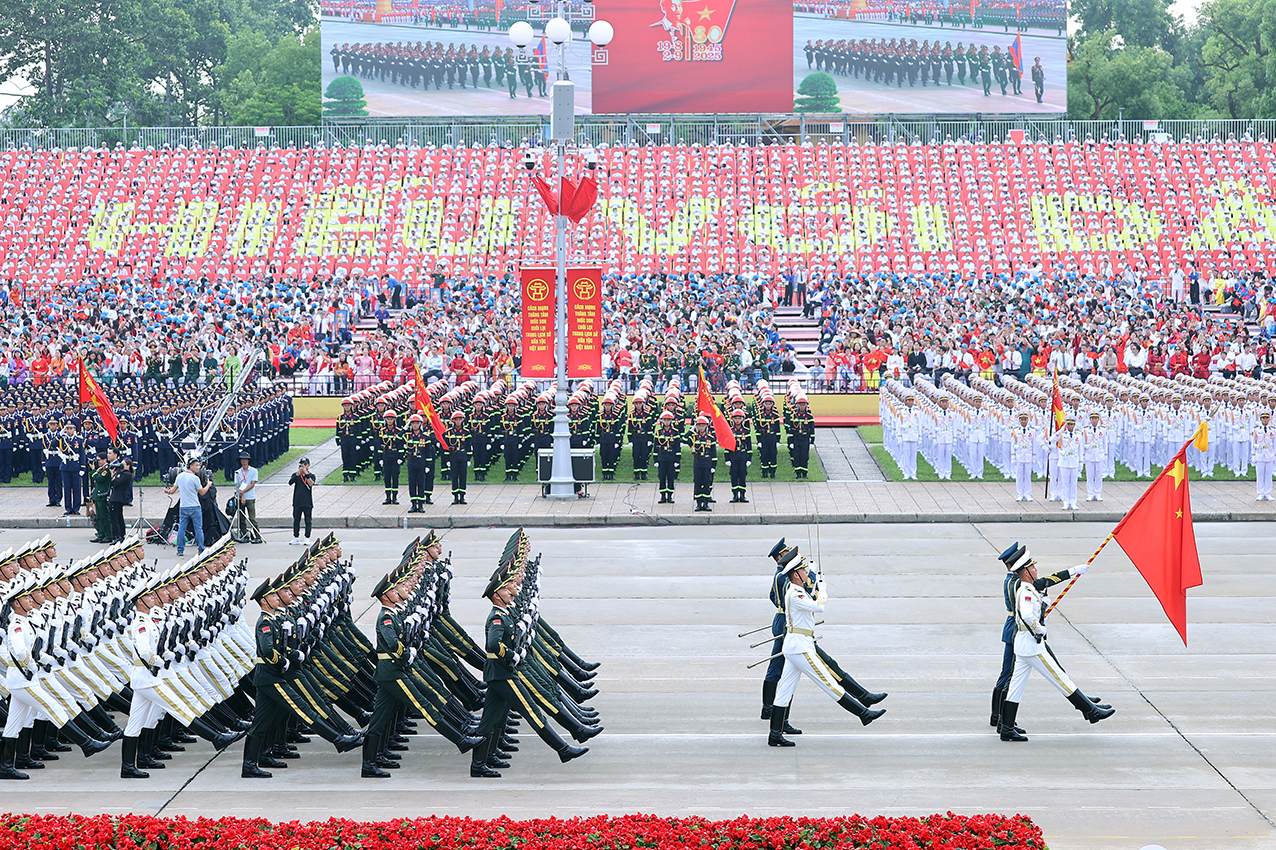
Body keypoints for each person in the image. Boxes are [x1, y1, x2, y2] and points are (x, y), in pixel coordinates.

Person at [999, 544, 1114, 742]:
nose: (1036, 569)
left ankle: (1007, 728)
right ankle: (1090, 711)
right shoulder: (1026, 590)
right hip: (1031, 645)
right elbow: (1027, 615)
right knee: (1060, 677)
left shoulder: (1028, 587)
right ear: (1025, 571)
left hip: (1025, 645)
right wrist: (1039, 628)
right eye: (1032, 567)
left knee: (1016, 686)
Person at [768, 553, 885, 747]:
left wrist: (814, 578)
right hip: (800, 647)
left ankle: (774, 735)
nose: (806, 572)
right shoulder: (796, 594)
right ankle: (863, 714)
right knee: (829, 683)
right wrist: (823, 589)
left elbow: (808, 595)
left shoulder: (795, 588)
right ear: (796, 574)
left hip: (795, 645)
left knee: (785, 691)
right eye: (803, 570)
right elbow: (819, 606)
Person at [989, 542, 1078, 731]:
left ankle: (1078, 696)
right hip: (1018, 630)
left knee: (1014, 673)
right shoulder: (1015, 584)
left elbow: (1042, 582)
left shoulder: (1015, 581)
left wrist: (1072, 572)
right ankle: (998, 718)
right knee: (1009, 675)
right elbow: (1038, 587)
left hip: (1018, 629)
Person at [164, 457, 211, 557]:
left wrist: (167, 491)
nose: (198, 467)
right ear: (191, 466)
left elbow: (172, 491)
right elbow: (202, 492)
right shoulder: (195, 478)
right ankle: (201, 549)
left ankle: (180, 550)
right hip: (195, 506)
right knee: (198, 529)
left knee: (182, 528)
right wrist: (208, 485)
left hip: (183, 507)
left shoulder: (179, 476)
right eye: (196, 465)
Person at [404, 414, 437, 511]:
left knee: (421, 484)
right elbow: (397, 440)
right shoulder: (408, 436)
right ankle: (414, 504)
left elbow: (428, 452)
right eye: (413, 423)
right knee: (412, 484)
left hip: (421, 463)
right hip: (411, 463)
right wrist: (404, 429)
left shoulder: (425, 437)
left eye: (416, 423)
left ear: (420, 424)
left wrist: (428, 465)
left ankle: (421, 505)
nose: (415, 425)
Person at [233, 451, 264, 543]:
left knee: (252, 518)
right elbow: (237, 485)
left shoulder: (254, 471)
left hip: (250, 497)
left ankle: (257, 536)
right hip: (240, 497)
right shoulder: (238, 472)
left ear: (248, 461)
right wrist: (241, 495)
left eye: (245, 459)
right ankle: (244, 535)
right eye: (242, 460)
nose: (244, 461)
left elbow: (252, 484)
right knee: (241, 518)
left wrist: (243, 492)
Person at [690, 414, 716, 512]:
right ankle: (698, 504)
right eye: (699, 425)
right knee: (698, 482)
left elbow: (714, 453)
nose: (701, 427)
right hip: (698, 463)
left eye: (703, 425)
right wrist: (692, 429)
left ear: (706, 426)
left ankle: (705, 503)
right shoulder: (694, 438)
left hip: (707, 463)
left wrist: (713, 465)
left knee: (706, 483)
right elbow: (684, 439)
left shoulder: (711, 438)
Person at [654, 411, 681, 504]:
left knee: (670, 477)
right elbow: (655, 447)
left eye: (668, 420)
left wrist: (677, 460)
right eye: (665, 420)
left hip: (671, 458)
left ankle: (669, 496)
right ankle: (662, 496)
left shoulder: (675, 432)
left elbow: (677, 447)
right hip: (662, 458)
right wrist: (655, 460)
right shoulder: (658, 432)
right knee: (662, 477)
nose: (666, 422)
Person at [288, 457, 316, 544]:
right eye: (301, 464)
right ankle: (296, 536)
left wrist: (306, 474)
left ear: (308, 465)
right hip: (297, 501)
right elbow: (290, 482)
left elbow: (311, 483)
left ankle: (307, 537)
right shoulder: (296, 475)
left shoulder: (311, 475)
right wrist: (297, 474)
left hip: (307, 502)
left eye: (304, 464)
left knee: (308, 520)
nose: (302, 466)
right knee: (296, 520)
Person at [108, 455, 133, 543]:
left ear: (128, 466)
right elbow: (111, 483)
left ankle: (118, 536)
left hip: (118, 498)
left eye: (123, 464)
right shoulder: (120, 473)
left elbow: (116, 483)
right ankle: (120, 534)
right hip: (115, 497)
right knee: (118, 516)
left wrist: (113, 476)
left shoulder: (127, 474)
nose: (121, 466)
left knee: (114, 517)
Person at [1083, 411, 1108, 502]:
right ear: (1090, 419)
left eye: (1096, 419)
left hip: (1099, 454)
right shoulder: (1086, 430)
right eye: (1092, 419)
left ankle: (1098, 493)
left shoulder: (1103, 429)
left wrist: (1105, 454)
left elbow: (1105, 443)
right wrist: (1085, 449)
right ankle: (1090, 494)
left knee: (1098, 475)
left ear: (1098, 419)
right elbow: (1083, 443)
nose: (1094, 420)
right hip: (1089, 455)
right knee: (1090, 475)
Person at [89, 453, 113, 543]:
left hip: (102, 495)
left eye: (99, 460)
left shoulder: (106, 470)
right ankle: (101, 534)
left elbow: (99, 479)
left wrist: (93, 470)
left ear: (104, 460)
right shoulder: (100, 469)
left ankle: (108, 535)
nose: (97, 462)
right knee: (99, 516)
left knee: (104, 516)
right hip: (98, 495)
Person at [1254, 410, 1274, 501]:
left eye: (1267, 418)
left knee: (1269, 475)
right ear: (1260, 419)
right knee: (1260, 474)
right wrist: (1253, 455)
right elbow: (1253, 443)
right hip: (1260, 453)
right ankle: (1260, 493)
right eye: (1263, 418)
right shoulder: (1256, 429)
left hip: (1269, 454)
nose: (1265, 420)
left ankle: (1268, 493)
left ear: (1269, 419)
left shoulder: (1273, 430)